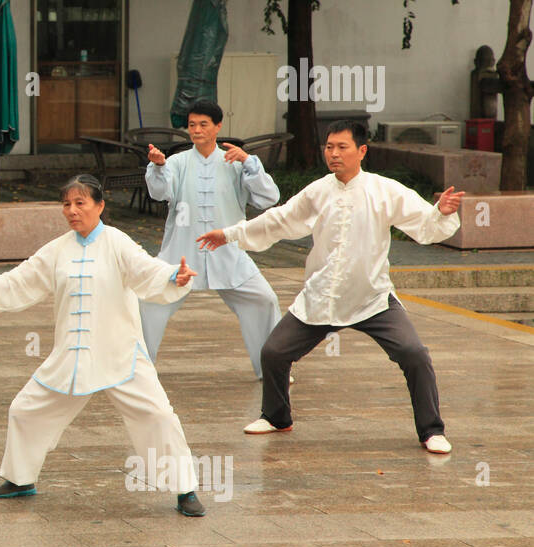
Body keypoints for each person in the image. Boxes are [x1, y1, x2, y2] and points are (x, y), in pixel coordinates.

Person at [0, 174, 207, 516]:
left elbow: (147, 272)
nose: (72, 210)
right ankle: (20, 479)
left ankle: (185, 489)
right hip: (71, 356)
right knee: (24, 410)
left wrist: (174, 276)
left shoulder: (118, 243)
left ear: (100, 206)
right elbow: (18, 281)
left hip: (121, 354)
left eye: (81, 203)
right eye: (67, 204)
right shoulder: (57, 249)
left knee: (158, 415)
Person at [196, 120, 464, 453]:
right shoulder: (319, 190)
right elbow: (280, 219)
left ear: (362, 151)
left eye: (342, 147)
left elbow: (424, 222)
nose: (333, 154)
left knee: (414, 354)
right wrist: (231, 233)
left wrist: (441, 213)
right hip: (322, 296)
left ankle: (431, 430)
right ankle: (277, 417)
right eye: (329, 147)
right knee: (274, 353)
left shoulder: (385, 190)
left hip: (372, 298)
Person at [140, 101, 283, 379]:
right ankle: (138, 370)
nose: (196, 130)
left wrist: (249, 163)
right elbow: (159, 192)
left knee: (264, 300)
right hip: (180, 256)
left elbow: (269, 197)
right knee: (147, 302)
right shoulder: (177, 162)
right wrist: (158, 167)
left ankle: (273, 370)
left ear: (218, 126)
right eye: (192, 124)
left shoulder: (235, 162)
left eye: (203, 124)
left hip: (229, 254)